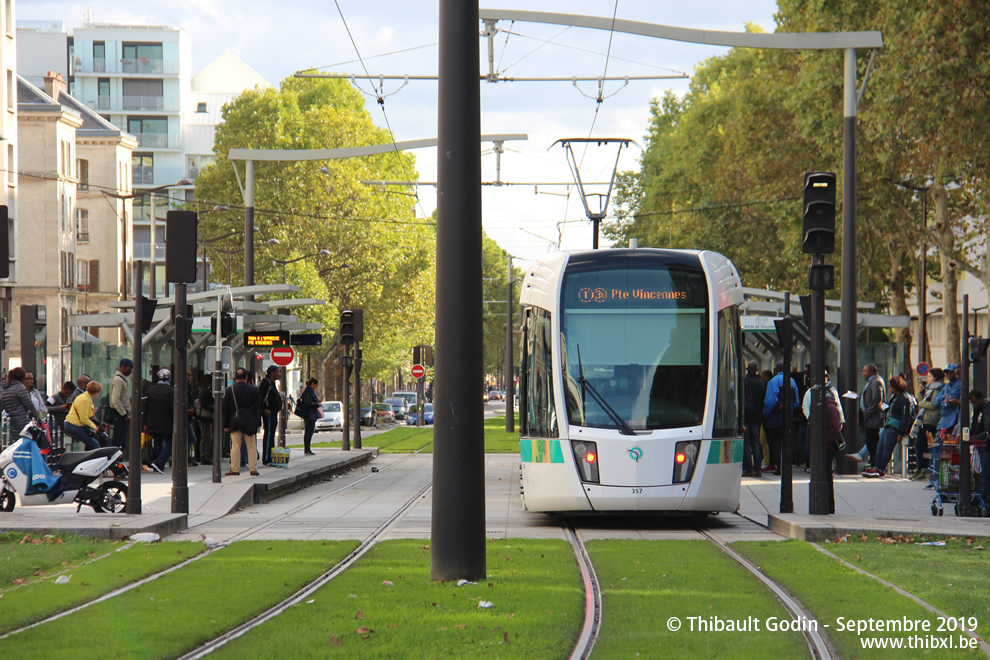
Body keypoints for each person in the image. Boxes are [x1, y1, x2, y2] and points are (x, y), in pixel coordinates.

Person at [866, 376, 913, 477]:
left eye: (891, 387)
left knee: (887, 447)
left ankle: (881, 468)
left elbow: (906, 415)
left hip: (895, 426)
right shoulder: (896, 397)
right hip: (889, 424)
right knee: (880, 446)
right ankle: (876, 467)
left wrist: (901, 432)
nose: (889, 389)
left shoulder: (904, 398)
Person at [761, 362, 799, 476]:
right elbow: (796, 401)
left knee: (775, 442)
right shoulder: (792, 381)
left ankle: (778, 466)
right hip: (788, 417)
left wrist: (765, 413)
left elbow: (770, 400)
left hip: (775, 418)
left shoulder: (774, 381)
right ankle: (787, 465)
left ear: (776, 370)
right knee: (786, 441)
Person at [223, 367, 262, 476]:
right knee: (251, 446)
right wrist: (257, 422)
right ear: (246, 377)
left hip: (235, 421)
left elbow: (226, 408)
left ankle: (235, 469)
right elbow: (258, 407)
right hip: (249, 422)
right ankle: (253, 468)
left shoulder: (229, 390)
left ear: (235, 377)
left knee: (235, 446)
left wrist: (226, 424)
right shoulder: (253, 390)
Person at [911, 368, 944, 480]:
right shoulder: (929, 389)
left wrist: (920, 403)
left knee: (921, 444)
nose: (927, 378)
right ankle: (920, 468)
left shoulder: (938, 389)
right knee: (921, 445)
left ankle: (923, 468)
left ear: (935, 377)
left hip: (931, 420)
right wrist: (921, 393)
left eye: (929, 376)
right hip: (924, 420)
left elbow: (933, 405)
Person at [145, 368, 175, 474]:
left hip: (153, 420)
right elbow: (172, 407)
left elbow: (146, 407)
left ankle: (158, 464)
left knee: (157, 442)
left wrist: (145, 423)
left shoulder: (150, 389)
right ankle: (159, 463)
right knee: (170, 443)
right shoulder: (170, 390)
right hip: (166, 421)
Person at [857, 364, 886, 467]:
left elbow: (877, 400)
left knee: (872, 443)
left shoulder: (876, 381)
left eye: (865, 371)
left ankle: (875, 465)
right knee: (870, 443)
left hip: (873, 419)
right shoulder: (871, 382)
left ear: (871, 372)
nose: (863, 373)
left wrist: (867, 413)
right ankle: (873, 463)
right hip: (869, 418)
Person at [2, 367, 40, 443]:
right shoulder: (20, 388)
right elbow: (29, 404)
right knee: (25, 444)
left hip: (12, 422)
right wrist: (36, 415)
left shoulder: (5, 389)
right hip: (22, 422)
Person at [63, 380, 103, 451]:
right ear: (97, 392)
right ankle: (96, 461)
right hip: (73, 425)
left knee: (92, 441)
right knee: (94, 444)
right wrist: (94, 427)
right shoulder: (85, 400)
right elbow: (84, 419)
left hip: (74, 424)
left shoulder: (86, 397)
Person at [742, 361, 766, 478]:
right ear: (757, 369)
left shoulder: (744, 381)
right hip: (757, 417)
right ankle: (758, 469)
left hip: (746, 416)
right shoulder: (761, 383)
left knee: (746, 443)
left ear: (747, 369)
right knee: (756, 442)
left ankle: (749, 468)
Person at [258, 366, 283, 465]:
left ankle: (271, 456)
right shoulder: (266, 383)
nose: (279, 374)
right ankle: (267, 458)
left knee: (271, 435)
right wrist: (264, 409)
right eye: (278, 372)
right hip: (268, 413)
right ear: (272, 373)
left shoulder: (272, 384)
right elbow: (260, 397)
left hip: (273, 413)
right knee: (268, 435)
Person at [107, 358, 133, 449]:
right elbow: (115, 400)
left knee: (121, 441)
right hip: (119, 415)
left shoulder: (122, 379)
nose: (130, 372)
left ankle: (118, 460)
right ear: (123, 367)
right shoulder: (118, 380)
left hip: (121, 415)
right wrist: (124, 414)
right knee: (118, 441)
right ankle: (116, 461)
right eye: (129, 369)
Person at [934, 364, 962, 437]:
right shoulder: (947, 386)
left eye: (950, 372)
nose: (948, 374)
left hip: (951, 421)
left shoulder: (958, 385)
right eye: (946, 373)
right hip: (943, 420)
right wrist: (944, 397)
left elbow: (949, 402)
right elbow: (935, 401)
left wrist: (943, 401)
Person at [46, 380, 76, 447]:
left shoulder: (69, 398)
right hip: (60, 423)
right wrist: (59, 408)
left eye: (70, 394)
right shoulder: (54, 397)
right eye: (67, 393)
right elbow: (45, 408)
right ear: (63, 389)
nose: (68, 395)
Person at [195, 374, 214, 465]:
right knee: (206, 436)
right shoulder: (205, 391)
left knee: (206, 436)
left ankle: (204, 455)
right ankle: (204, 455)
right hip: (205, 416)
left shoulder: (201, 389)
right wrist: (214, 408)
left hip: (203, 416)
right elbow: (204, 404)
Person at [299, 377, 321, 455]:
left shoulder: (311, 392)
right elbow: (308, 403)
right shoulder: (308, 392)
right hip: (309, 414)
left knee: (310, 432)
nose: (316, 387)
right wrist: (317, 404)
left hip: (311, 413)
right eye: (316, 385)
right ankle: (307, 449)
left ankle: (307, 448)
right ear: (312, 384)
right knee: (309, 431)